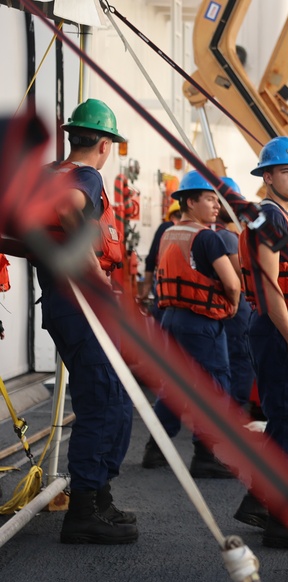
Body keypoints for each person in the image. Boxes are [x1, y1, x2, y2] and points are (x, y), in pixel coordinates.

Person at [34, 98, 136, 544]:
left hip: (61, 304)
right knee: (102, 404)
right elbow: (68, 208)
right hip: (82, 306)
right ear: (104, 143)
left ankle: (99, 498)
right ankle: (82, 512)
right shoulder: (86, 177)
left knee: (113, 399)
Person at [234, 137, 288, 549]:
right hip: (275, 327)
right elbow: (270, 286)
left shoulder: (276, 217)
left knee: (285, 420)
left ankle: (260, 501)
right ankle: (283, 522)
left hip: (273, 327)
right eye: (287, 171)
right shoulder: (270, 218)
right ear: (267, 177)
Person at [140, 170, 241, 478]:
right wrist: (234, 305)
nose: (216, 206)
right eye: (210, 199)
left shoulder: (170, 233)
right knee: (214, 386)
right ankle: (206, 455)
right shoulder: (207, 237)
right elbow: (232, 283)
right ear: (190, 201)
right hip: (201, 322)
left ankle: (156, 448)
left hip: (171, 317)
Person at [215, 177, 253, 411]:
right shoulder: (228, 238)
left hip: (217, 312)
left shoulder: (204, 233)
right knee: (240, 363)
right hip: (236, 312)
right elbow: (243, 275)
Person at [138, 200, 181, 321]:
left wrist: (146, 287)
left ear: (171, 215)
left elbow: (151, 258)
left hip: (164, 284)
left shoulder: (165, 227)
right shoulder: (196, 231)